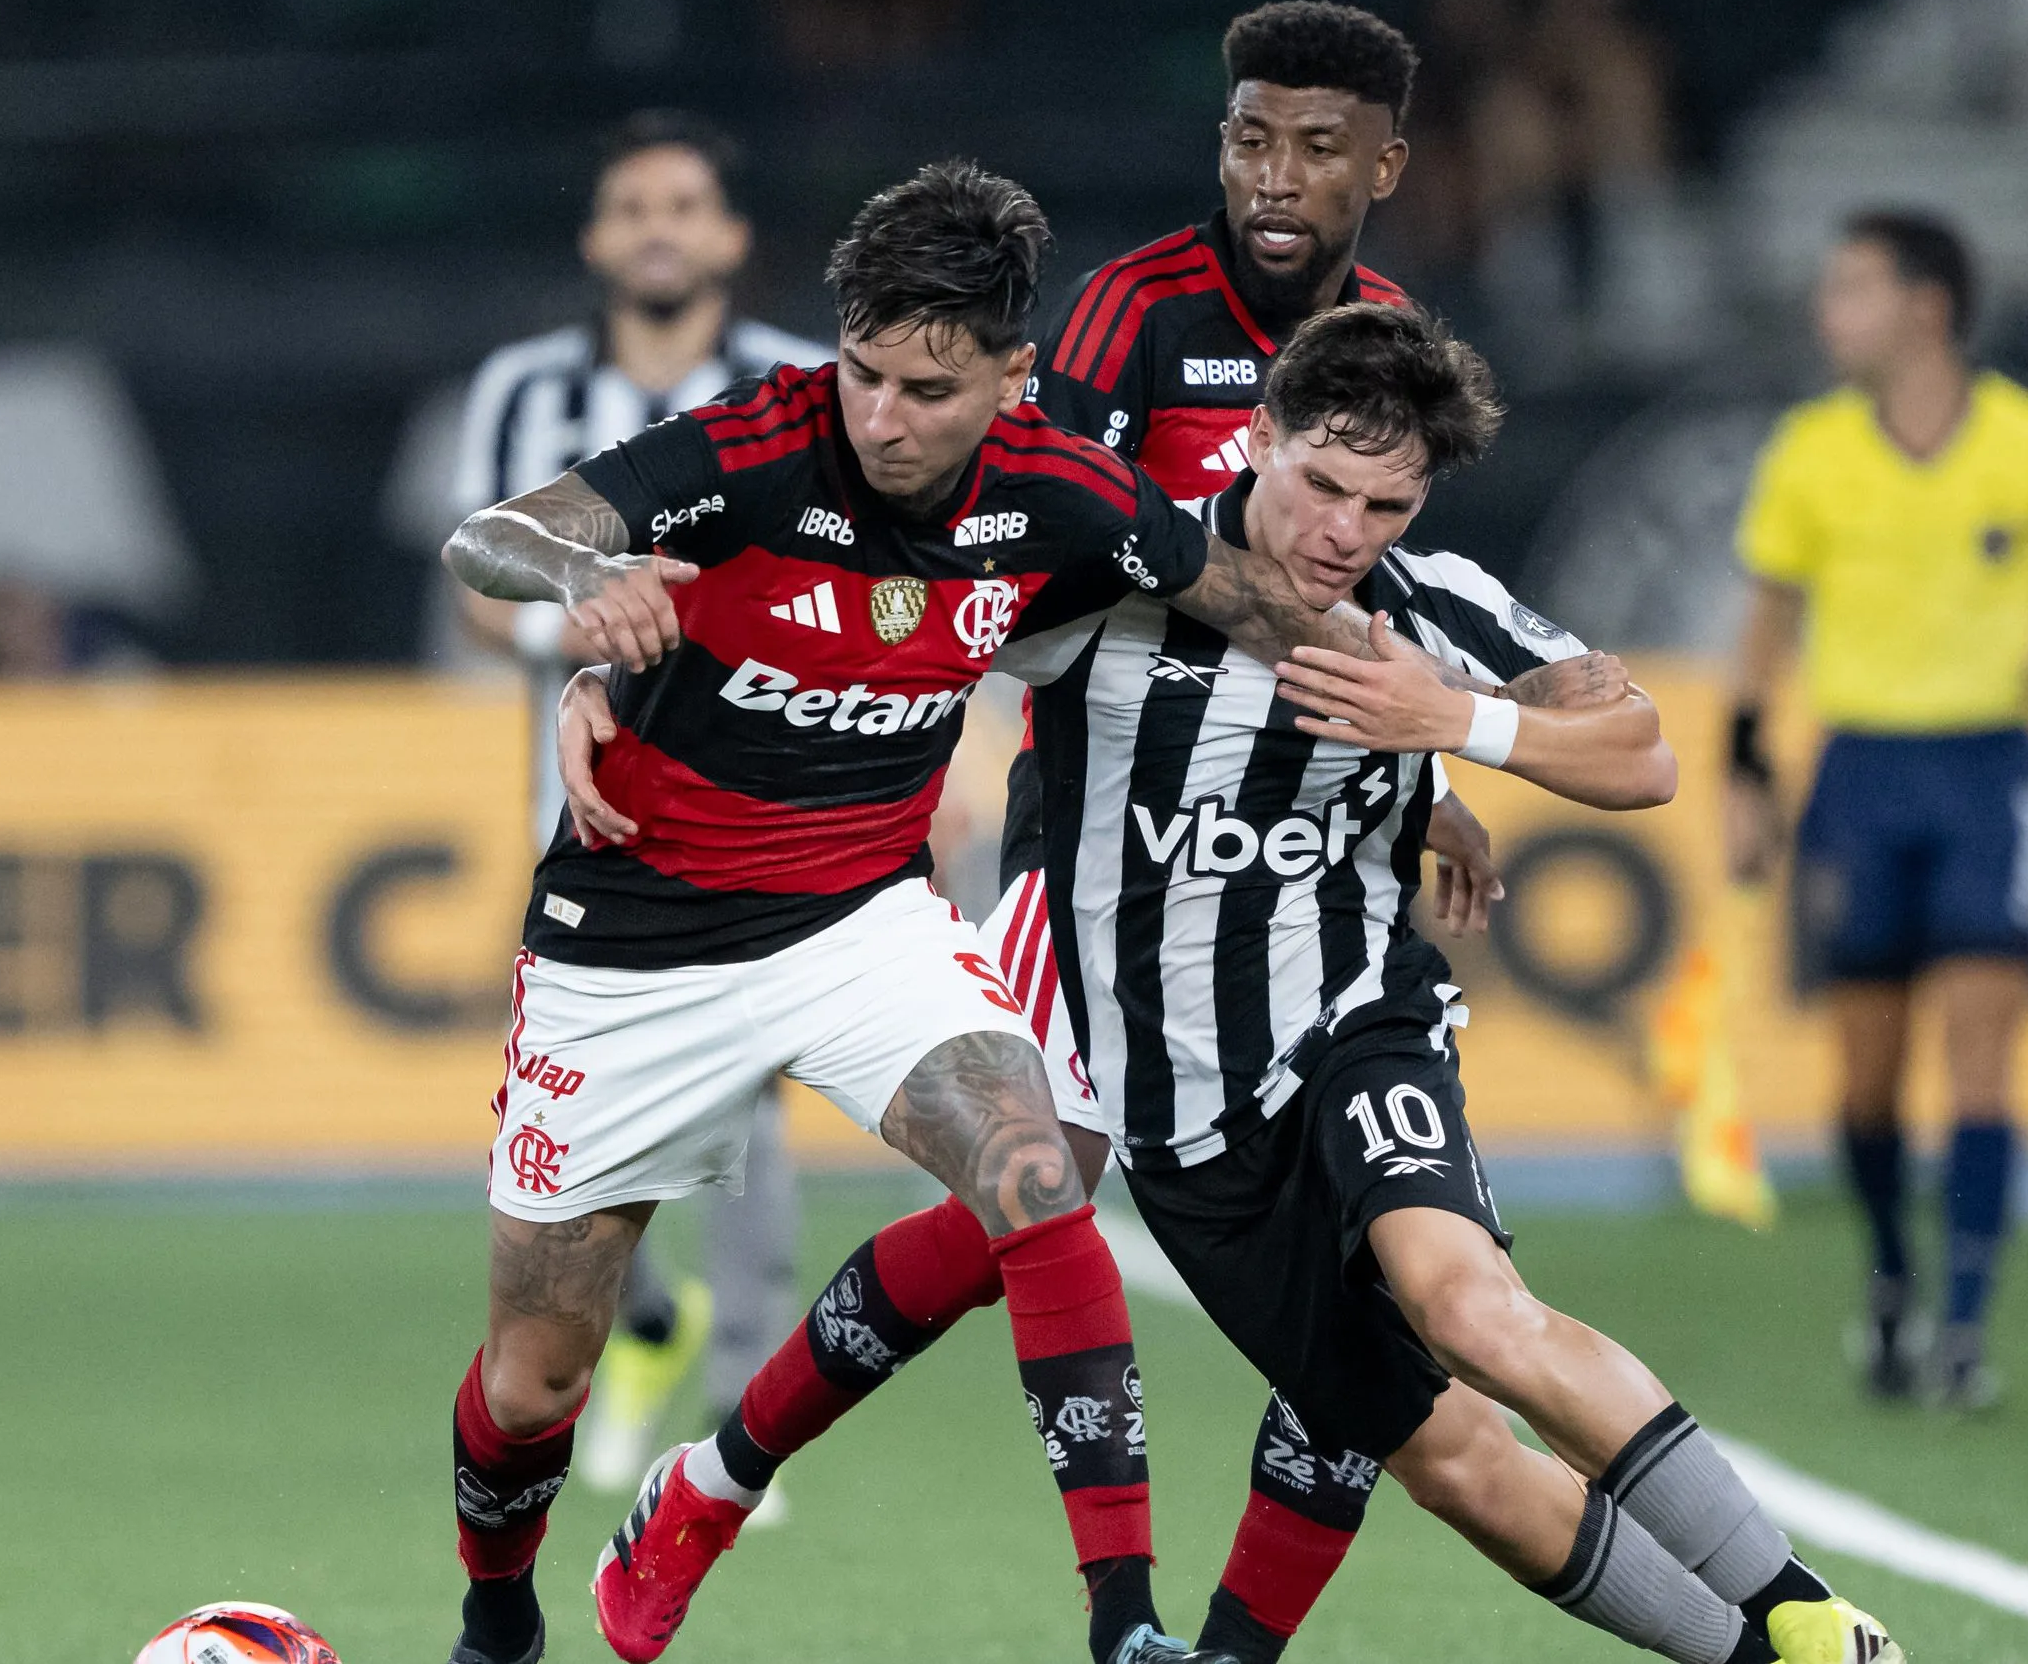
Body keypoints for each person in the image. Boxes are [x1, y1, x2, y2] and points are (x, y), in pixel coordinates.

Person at [574, 305, 1913, 1664]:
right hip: (1158, 1065)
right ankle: (716, 1482)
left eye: (1385, 505)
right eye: (1322, 484)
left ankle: (1790, 1617)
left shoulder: (1428, 601)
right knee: (1434, 1448)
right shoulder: (1108, 564)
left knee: (1466, 1308)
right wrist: (611, 681)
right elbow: (839, 602)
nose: (1344, 530)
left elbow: (1640, 752)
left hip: (1355, 1025)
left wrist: (1451, 726)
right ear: (1256, 435)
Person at [436, 159, 1402, 1664]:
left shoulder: (1063, 490)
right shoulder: (752, 447)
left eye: (929, 389)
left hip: (857, 920)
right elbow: (490, 535)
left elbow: (1264, 607)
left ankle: (1126, 1624)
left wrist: (1458, 730)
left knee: (1035, 1171)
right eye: (865, 371)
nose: (883, 417)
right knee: (535, 1378)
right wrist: (582, 569)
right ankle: (500, 1617)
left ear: (1016, 377)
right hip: (629, 941)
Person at [444, 110, 833, 1498]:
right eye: (632, 206)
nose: (658, 228)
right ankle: (649, 1313)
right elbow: (477, 592)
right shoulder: (522, 391)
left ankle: (739, 1411)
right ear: (596, 237)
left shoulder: (803, 383)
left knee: (752, 1093)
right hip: (583, 799)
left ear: (731, 235)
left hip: (762, 792)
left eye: (683, 204)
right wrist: (589, 623)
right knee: (563, 1099)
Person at [1727, 210, 2028, 1408]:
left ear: (1927, 306)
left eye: (1851, 288)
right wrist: (1748, 777)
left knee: (1980, 1062)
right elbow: (1765, 630)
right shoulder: (1812, 450)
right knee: (1866, 1079)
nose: (1829, 311)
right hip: (1861, 774)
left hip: (1989, 774)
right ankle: (1892, 1270)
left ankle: (1963, 1323)